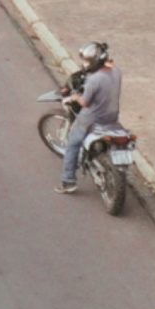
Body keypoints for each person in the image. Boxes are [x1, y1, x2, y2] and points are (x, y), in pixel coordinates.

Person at [57, 41, 121, 194]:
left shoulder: (93, 80)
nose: (85, 63)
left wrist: (74, 97)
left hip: (92, 118)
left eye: (88, 61)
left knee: (72, 145)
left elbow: (84, 102)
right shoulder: (115, 71)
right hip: (111, 113)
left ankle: (68, 181)